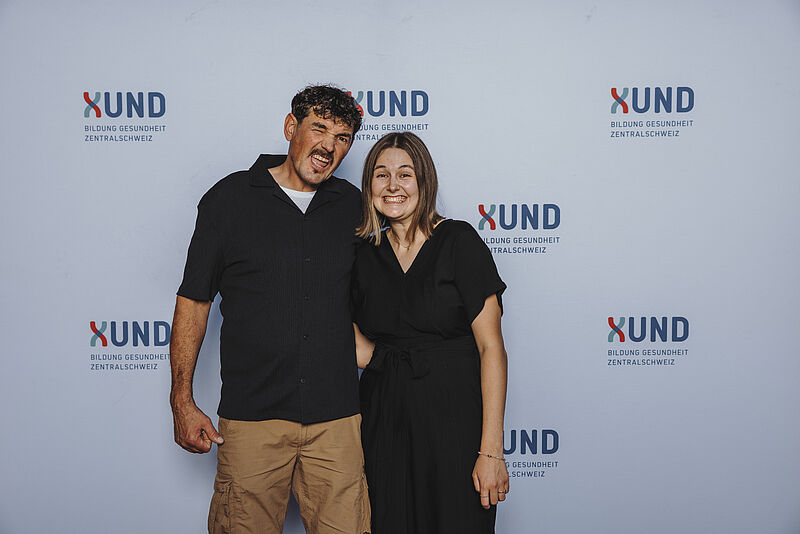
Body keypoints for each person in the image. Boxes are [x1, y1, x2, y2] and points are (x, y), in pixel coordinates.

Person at [169, 84, 370, 534]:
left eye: (342, 138)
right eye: (319, 129)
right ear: (290, 127)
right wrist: (181, 399)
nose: (329, 146)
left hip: (337, 420)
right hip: (251, 420)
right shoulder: (229, 199)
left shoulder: (355, 206)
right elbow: (194, 301)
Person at [351, 132, 510, 533]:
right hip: (384, 423)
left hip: (454, 424)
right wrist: (378, 358)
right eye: (381, 175)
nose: (393, 186)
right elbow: (339, 327)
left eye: (405, 174)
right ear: (369, 185)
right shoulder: (363, 254)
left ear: (424, 181)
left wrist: (491, 451)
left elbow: (491, 348)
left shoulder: (459, 241)